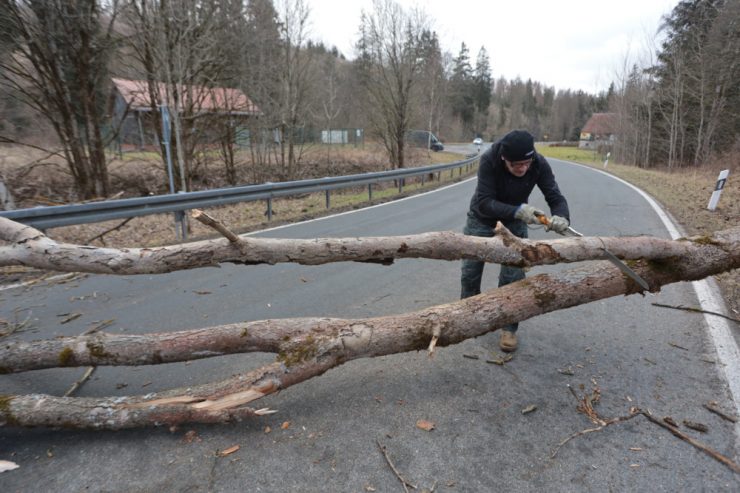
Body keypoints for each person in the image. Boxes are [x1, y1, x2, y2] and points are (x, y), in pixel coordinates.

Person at [461, 129, 570, 352]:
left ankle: (509, 327)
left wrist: (562, 217)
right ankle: (467, 317)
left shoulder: (538, 163)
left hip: (516, 221)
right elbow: (485, 202)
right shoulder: (489, 160)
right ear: (504, 159)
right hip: (482, 218)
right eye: (516, 165)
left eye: (525, 164)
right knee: (470, 272)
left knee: (514, 275)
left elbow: (555, 196)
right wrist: (520, 210)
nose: (522, 168)